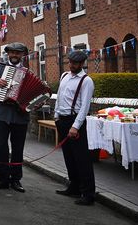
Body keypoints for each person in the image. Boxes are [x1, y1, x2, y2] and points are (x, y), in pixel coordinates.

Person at [0, 42, 30, 192]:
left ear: (22, 55)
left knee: (18, 149)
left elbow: (33, 94)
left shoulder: (27, 71)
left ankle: (16, 180)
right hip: (2, 114)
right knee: (1, 147)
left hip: (20, 116)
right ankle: (3, 179)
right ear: (8, 53)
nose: (15, 55)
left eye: (18, 53)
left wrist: (35, 103)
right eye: (12, 52)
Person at [55, 50, 96, 206]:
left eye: (75, 63)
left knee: (82, 159)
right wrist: (56, 116)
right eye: (70, 62)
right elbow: (59, 97)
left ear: (82, 63)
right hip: (62, 120)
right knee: (69, 157)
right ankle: (74, 187)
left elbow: (85, 107)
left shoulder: (86, 81)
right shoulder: (64, 76)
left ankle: (88, 194)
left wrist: (75, 126)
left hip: (75, 122)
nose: (72, 65)